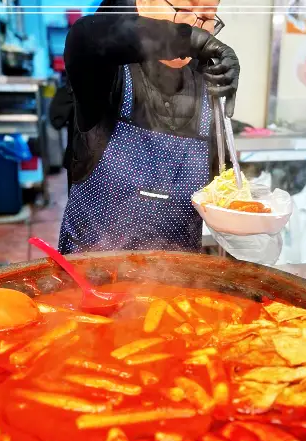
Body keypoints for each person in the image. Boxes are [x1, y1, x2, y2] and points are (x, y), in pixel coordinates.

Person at [58, 0, 239, 254]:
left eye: (208, 17)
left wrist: (248, 224)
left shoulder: (208, 85)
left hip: (179, 276)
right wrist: (188, 40)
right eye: (184, 11)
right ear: (143, 2)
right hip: (90, 273)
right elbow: (84, 36)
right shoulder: (106, 69)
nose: (196, 26)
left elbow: (223, 191)